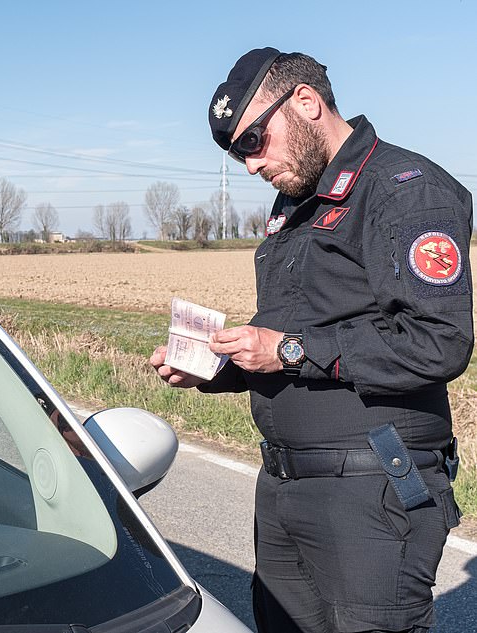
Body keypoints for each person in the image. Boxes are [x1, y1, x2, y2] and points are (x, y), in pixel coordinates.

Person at [150, 48, 473, 633]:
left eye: (252, 142)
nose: (249, 165)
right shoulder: (295, 202)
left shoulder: (404, 190)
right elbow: (297, 331)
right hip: (283, 486)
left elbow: (439, 340)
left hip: (370, 491)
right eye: (234, 153)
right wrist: (221, 368)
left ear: (305, 102)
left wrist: (290, 349)